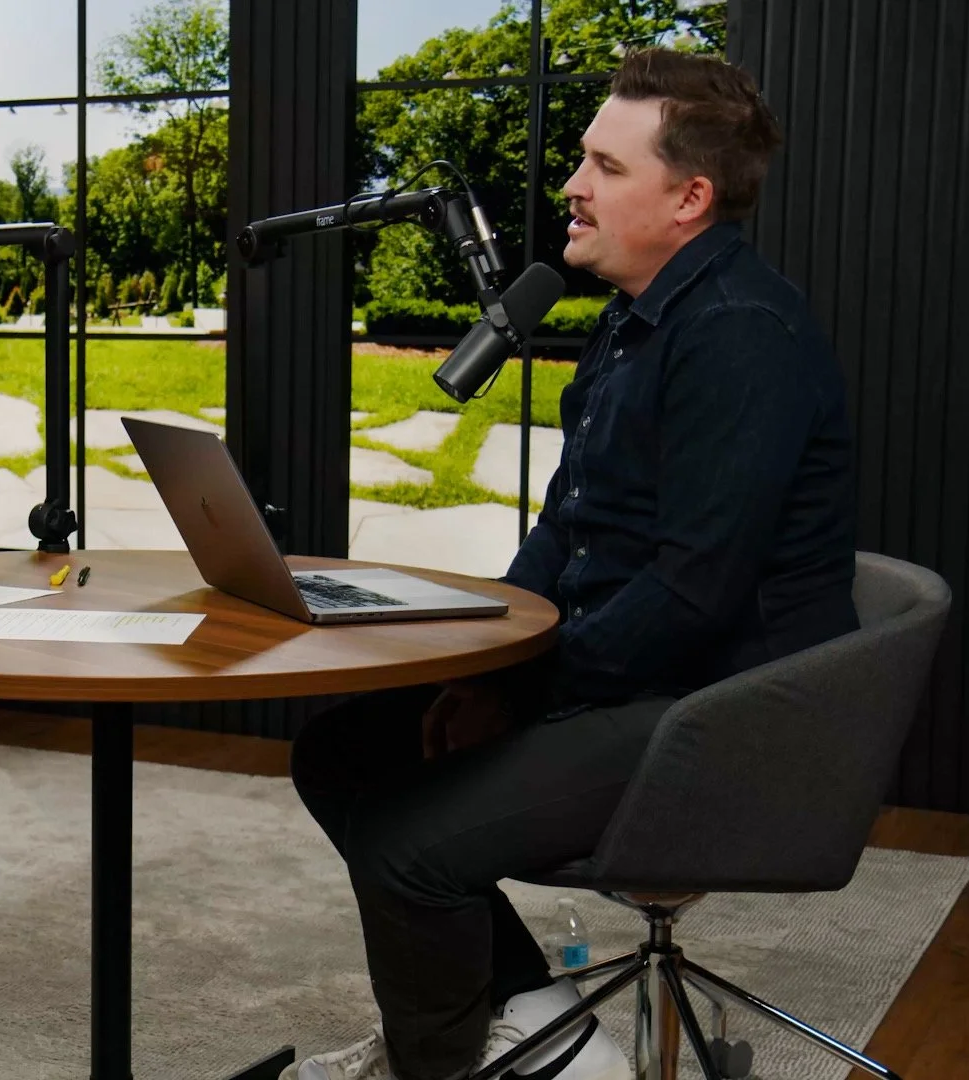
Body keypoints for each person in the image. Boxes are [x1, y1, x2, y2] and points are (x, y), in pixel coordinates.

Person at [284, 49, 857, 1080]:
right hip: (643, 684)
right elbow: (567, 531)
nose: (573, 187)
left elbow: (691, 596)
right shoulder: (634, 322)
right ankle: (544, 1033)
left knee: (415, 845)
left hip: (722, 718)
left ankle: (453, 1064)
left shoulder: (739, 337)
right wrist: (477, 671)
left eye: (605, 166)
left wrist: (523, 700)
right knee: (345, 753)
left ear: (690, 197)